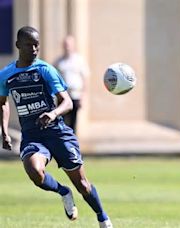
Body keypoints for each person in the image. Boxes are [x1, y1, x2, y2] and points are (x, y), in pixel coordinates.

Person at [0, 26, 113, 228]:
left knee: (83, 185)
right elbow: (2, 103)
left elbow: (67, 102)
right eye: (29, 45)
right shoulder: (6, 75)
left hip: (57, 133)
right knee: (35, 172)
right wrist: (4, 131)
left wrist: (52, 114)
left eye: (37, 45)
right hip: (32, 136)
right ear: (18, 45)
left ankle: (103, 217)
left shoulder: (45, 70)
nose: (34, 49)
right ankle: (63, 192)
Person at [54, 35, 89, 133]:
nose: (67, 47)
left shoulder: (79, 60)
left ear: (73, 45)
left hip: (75, 95)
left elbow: (85, 78)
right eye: (65, 44)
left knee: (73, 122)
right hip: (62, 95)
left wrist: (83, 96)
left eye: (69, 44)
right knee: (62, 121)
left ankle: (72, 143)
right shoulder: (58, 61)